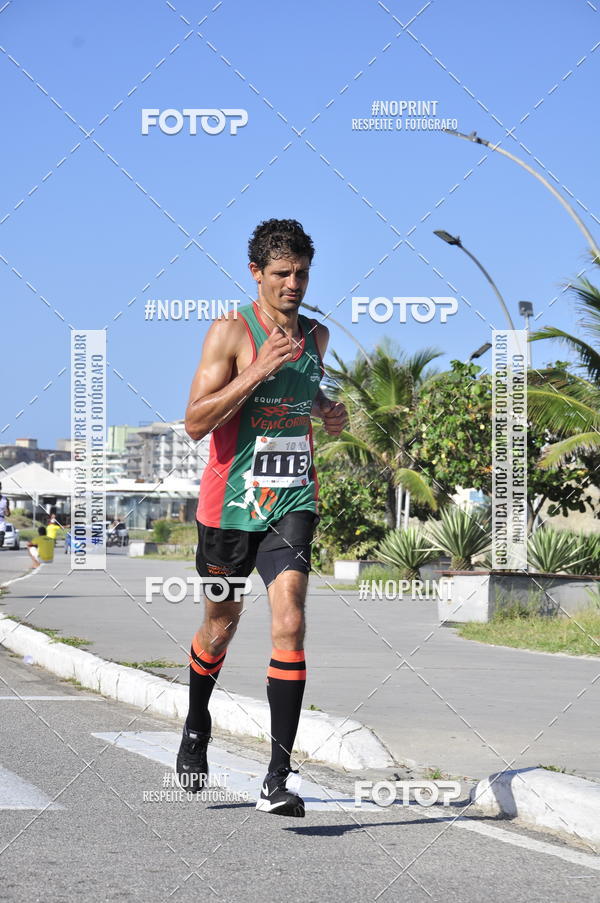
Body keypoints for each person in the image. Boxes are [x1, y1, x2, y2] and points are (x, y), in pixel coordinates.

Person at [177, 219, 348, 817]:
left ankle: (278, 776)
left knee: (290, 622)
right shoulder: (230, 332)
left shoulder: (316, 337)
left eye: (302, 273)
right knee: (220, 627)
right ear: (257, 273)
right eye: (282, 273)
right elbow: (196, 421)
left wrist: (327, 411)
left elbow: (303, 395)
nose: (293, 284)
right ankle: (197, 723)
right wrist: (256, 370)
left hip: (292, 501)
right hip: (227, 509)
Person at [0, 484, 10, 549]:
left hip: (1, 521)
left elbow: (8, 514)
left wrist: (6, 510)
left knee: (1, 540)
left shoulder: (5, 499)